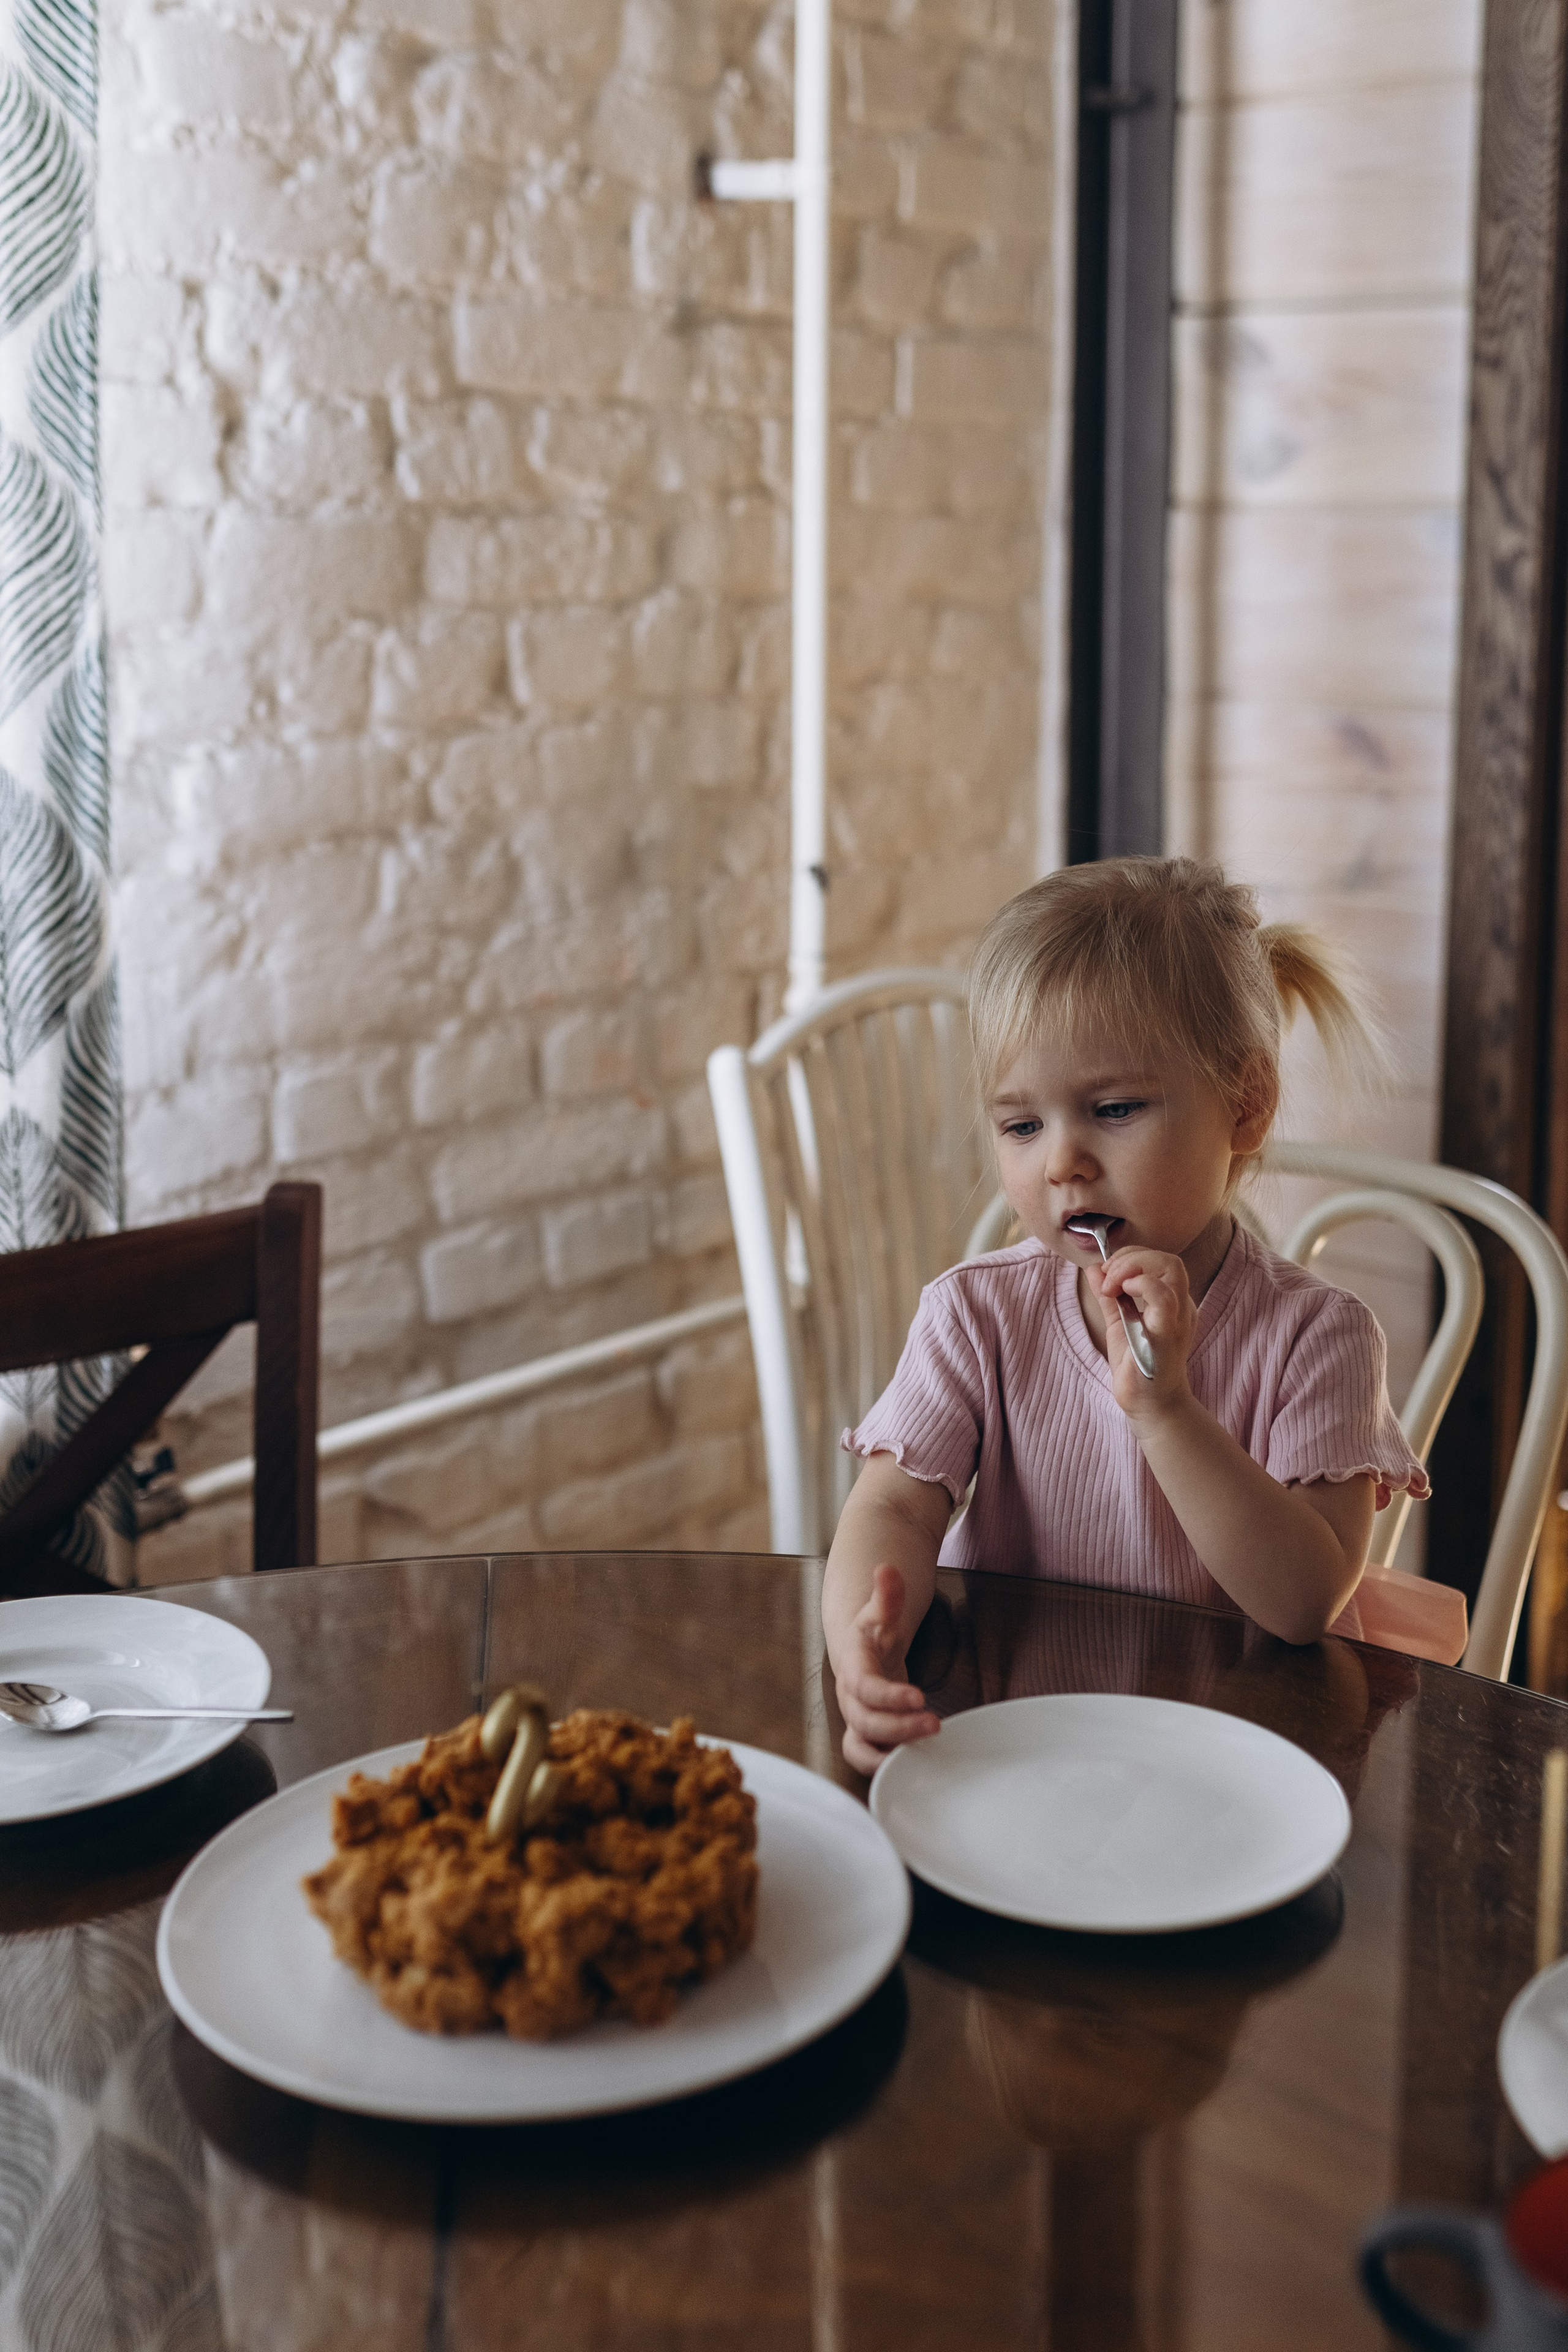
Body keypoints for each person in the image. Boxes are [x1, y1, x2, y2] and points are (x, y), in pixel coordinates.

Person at [822, 856, 1463, 1775]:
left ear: (1245, 1106)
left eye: (1113, 1108)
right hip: (1022, 1742)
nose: (1062, 1164)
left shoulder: (1320, 1338)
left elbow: (1301, 1602)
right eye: (1021, 1126)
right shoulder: (975, 1315)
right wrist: (861, 1646)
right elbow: (892, 1506)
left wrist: (1167, 1413)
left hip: (1238, 1759)